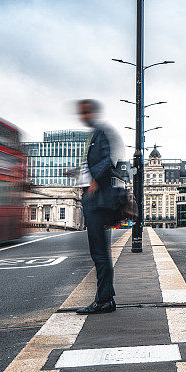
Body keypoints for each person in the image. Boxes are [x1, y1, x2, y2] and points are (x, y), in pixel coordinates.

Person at [75, 99, 121, 315]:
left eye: (84, 112)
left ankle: (103, 301)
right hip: (93, 198)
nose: (82, 116)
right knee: (101, 253)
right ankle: (106, 299)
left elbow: (108, 160)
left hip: (97, 200)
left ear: (91, 112)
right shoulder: (95, 134)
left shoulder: (101, 132)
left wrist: (93, 180)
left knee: (99, 253)